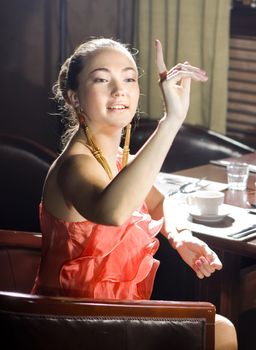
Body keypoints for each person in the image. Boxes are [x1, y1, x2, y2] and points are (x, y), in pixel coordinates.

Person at [32, 37, 237, 349]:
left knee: (219, 328)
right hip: (73, 326)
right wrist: (171, 122)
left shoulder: (115, 158)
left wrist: (179, 235)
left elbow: (158, 201)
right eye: (102, 79)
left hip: (113, 318)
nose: (120, 90)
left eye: (129, 78)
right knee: (220, 332)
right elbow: (112, 212)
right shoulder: (75, 164)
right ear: (74, 97)